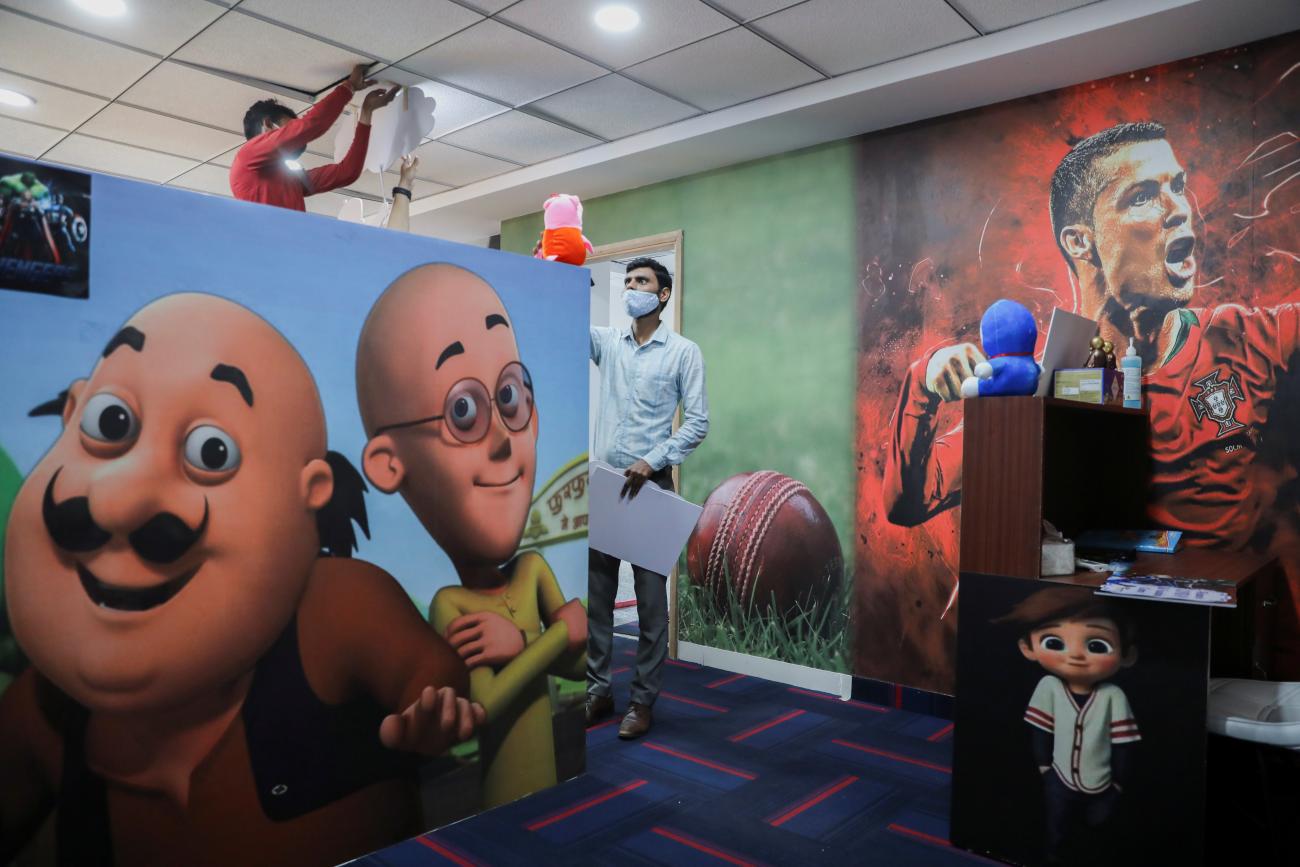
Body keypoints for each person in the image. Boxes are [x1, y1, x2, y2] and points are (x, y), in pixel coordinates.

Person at [0, 294, 482, 866]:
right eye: (111, 423)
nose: (118, 501)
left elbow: (428, 673)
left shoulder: (337, 608)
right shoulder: (45, 715)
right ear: (72, 412)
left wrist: (432, 709)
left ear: (308, 494)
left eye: (211, 452)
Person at [885, 122, 1300, 672]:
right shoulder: (1047, 383)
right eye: (1146, 195)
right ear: (1081, 240)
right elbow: (907, 505)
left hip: (1224, 632)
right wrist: (925, 379)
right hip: (1095, 640)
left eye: (1179, 186)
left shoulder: (1249, 338)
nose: (1180, 209)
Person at [355, 263, 587, 808]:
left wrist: (555, 644)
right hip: (494, 808)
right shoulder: (451, 605)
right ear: (391, 464)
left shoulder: (532, 572)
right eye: (463, 411)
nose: (505, 440)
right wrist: (546, 639)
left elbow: (579, 663)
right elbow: (485, 704)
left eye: (510, 396)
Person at [586, 257, 709, 739]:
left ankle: (642, 702)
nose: (632, 288)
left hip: (650, 488)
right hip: (605, 486)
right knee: (596, 599)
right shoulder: (608, 342)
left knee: (651, 604)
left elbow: (698, 422)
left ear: (662, 296)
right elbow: (565, 325)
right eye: (629, 281)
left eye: (642, 282)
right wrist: (565, 271)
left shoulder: (683, 352)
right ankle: (597, 691)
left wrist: (654, 458)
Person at [996, 588, 1140, 863]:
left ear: (1126, 654)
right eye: (1054, 642)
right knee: (1056, 833)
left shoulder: (1113, 695)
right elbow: (1040, 733)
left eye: (1097, 645)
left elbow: (1125, 748)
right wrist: (1045, 770)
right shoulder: (1048, 686)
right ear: (1028, 647)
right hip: (1059, 778)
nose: (1075, 655)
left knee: (1099, 834)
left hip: (1102, 784)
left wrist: (1117, 787)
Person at [230, 63, 397, 211]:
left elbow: (347, 173)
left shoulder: (290, 178)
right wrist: (350, 86)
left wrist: (366, 113)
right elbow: (310, 126)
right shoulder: (246, 157)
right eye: (289, 127)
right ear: (268, 124)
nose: (298, 139)